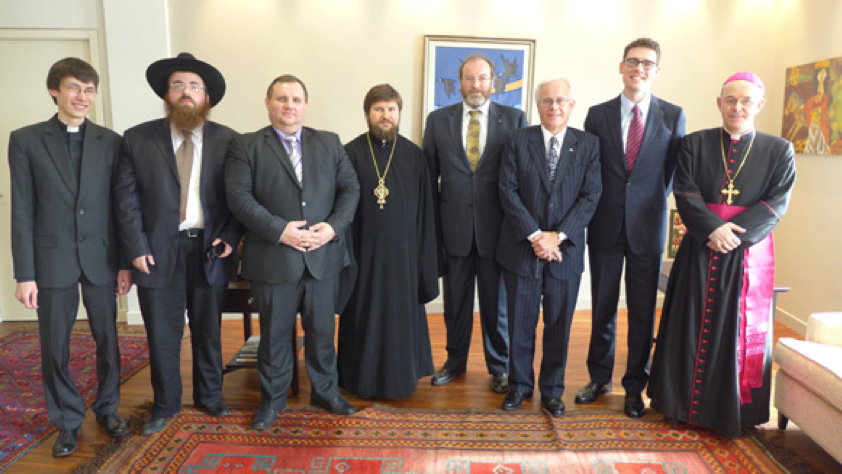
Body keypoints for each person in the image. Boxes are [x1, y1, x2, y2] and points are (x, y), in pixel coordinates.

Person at [647, 72, 796, 437]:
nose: (737, 107)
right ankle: (677, 406)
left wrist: (731, 236)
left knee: (737, 332)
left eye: (746, 101)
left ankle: (732, 412)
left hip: (745, 255)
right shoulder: (694, 144)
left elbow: (776, 203)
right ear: (719, 103)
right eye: (730, 100)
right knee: (688, 323)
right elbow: (685, 192)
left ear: (759, 105)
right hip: (701, 246)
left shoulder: (778, 150)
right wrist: (713, 229)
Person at [8, 57, 132, 456]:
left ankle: (108, 408)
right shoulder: (25, 140)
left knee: (108, 340)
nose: (83, 96)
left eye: (90, 89)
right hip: (52, 260)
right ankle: (66, 419)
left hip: (101, 257)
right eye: (75, 87)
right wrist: (24, 274)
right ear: (54, 90)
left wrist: (124, 263)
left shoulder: (112, 142)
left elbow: (119, 207)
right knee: (54, 345)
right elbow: (22, 209)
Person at [114, 53, 242, 435]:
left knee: (209, 330)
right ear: (167, 94)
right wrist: (135, 246)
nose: (186, 92)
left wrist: (231, 236)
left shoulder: (228, 140)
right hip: (155, 254)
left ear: (207, 98)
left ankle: (211, 397)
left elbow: (241, 197)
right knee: (163, 334)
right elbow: (126, 198)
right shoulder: (137, 138)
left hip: (209, 251)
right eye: (178, 85)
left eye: (194, 86)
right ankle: (165, 404)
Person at [225, 75, 360, 429]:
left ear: (306, 105)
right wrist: (279, 231)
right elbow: (239, 198)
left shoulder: (329, 143)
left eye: (296, 99)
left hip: (322, 258)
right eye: (282, 99)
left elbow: (351, 190)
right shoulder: (246, 145)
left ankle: (326, 393)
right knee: (274, 335)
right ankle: (273, 400)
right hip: (272, 259)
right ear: (268, 103)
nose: (289, 105)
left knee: (320, 333)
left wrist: (332, 228)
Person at [577, 38, 686, 418]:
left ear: (656, 70)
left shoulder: (673, 115)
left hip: (647, 228)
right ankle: (598, 378)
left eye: (647, 63)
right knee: (603, 308)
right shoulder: (597, 114)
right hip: (605, 227)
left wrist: (647, 202)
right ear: (621, 66)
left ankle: (634, 388)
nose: (640, 68)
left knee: (642, 313)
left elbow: (670, 173)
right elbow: (590, 171)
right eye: (633, 61)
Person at [423, 54, 528, 392]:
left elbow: (523, 179)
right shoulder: (438, 120)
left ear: (493, 83)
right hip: (453, 229)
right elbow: (428, 178)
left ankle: (498, 367)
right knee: (455, 304)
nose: (476, 85)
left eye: (482, 78)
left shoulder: (514, 120)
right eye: (469, 78)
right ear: (459, 82)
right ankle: (454, 362)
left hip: (497, 231)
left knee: (496, 305)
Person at [497, 78, 602, 416]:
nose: (554, 107)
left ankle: (553, 390)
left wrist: (557, 236)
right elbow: (508, 191)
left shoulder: (588, 145)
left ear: (571, 105)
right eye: (547, 101)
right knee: (520, 324)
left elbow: (590, 196)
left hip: (564, 253)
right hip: (521, 249)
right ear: (538, 105)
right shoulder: (516, 140)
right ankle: (519, 386)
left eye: (560, 101)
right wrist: (535, 235)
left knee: (559, 326)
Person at [338, 84, 439, 399]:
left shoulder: (413, 155)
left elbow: (426, 213)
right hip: (362, 256)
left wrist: (424, 261)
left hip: (403, 258)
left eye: (391, 109)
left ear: (399, 113)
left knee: (399, 317)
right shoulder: (349, 153)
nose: (385, 115)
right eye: (378, 109)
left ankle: (400, 378)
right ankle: (358, 378)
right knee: (363, 314)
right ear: (368, 113)